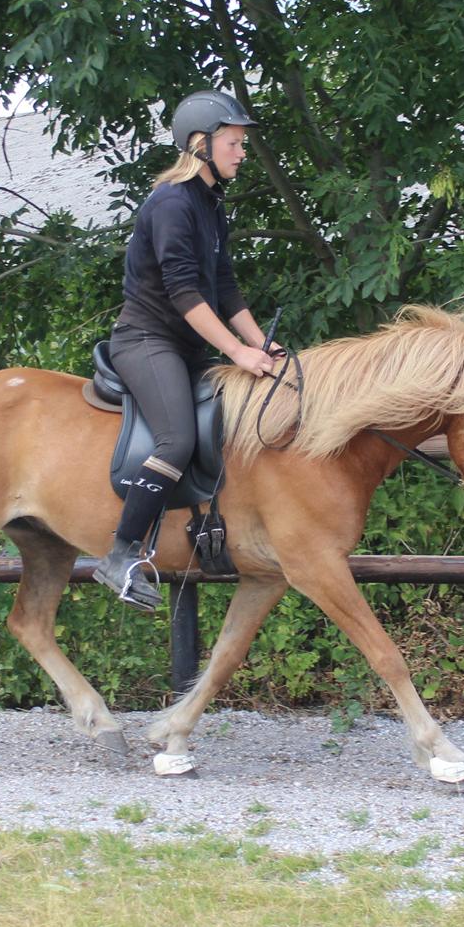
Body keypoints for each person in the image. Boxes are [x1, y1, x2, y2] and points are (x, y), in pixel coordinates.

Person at [93, 90, 280, 611]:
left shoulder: (211, 206)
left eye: (242, 144)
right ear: (201, 144)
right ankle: (120, 555)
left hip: (189, 346)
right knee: (176, 440)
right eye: (233, 143)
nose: (242, 153)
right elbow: (184, 294)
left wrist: (261, 343)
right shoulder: (172, 203)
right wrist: (237, 353)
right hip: (147, 340)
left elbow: (224, 287)